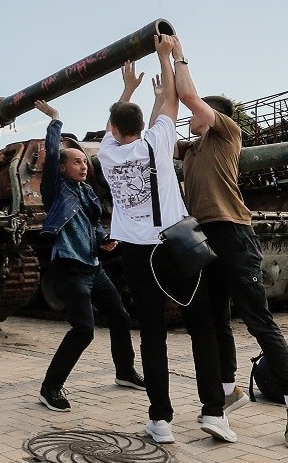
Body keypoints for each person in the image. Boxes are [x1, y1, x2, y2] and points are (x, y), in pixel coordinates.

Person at [171, 36, 288, 450]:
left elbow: (187, 95)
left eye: (197, 112)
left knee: (258, 320)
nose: (189, 118)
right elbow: (166, 115)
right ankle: (230, 390)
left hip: (234, 233)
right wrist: (162, 77)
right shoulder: (193, 150)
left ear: (213, 115)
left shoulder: (226, 134)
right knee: (217, 319)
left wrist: (178, 55)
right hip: (205, 237)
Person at [97, 35, 236, 444]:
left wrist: (127, 90)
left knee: (153, 335)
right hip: (176, 247)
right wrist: (164, 59)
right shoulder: (157, 143)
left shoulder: (105, 153)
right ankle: (213, 413)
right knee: (202, 328)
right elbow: (172, 105)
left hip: (137, 253)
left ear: (113, 129)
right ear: (144, 127)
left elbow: (120, 122)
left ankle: (161, 421)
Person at [33, 99, 145, 413]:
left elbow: (93, 223)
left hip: (93, 266)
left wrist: (103, 240)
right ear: (62, 167)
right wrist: (55, 119)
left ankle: (124, 372)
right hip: (69, 266)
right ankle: (50, 388)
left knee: (120, 317)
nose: (83, 165)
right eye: (76, 161)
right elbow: (53, 153)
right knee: (84, 328)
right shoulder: (55, 190)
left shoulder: (87, 192)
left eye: (85, 161)